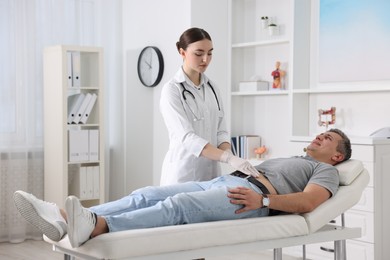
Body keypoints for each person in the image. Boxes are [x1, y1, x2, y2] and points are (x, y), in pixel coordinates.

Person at [14, 128, 351, 249]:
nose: (320, 135)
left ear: (337, 155)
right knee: (147, 193)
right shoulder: (296, 157)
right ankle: (63, 219)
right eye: (322, 132)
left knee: (181, 206)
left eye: (329, 137)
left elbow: (308, 203)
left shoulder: (325, 172)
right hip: (230, 181)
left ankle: (97, 225)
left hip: (250, 199)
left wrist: (262, 198)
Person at [159, 27, 258, 185]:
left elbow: (221, 131)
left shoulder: (212, 88)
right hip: (183, 175)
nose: (205, 59)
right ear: (182, 52)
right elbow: (187, 138)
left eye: (210, 53)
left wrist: (230, 156)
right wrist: (228, 158)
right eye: (198, 54)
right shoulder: (172, 90)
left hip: (211, 175)